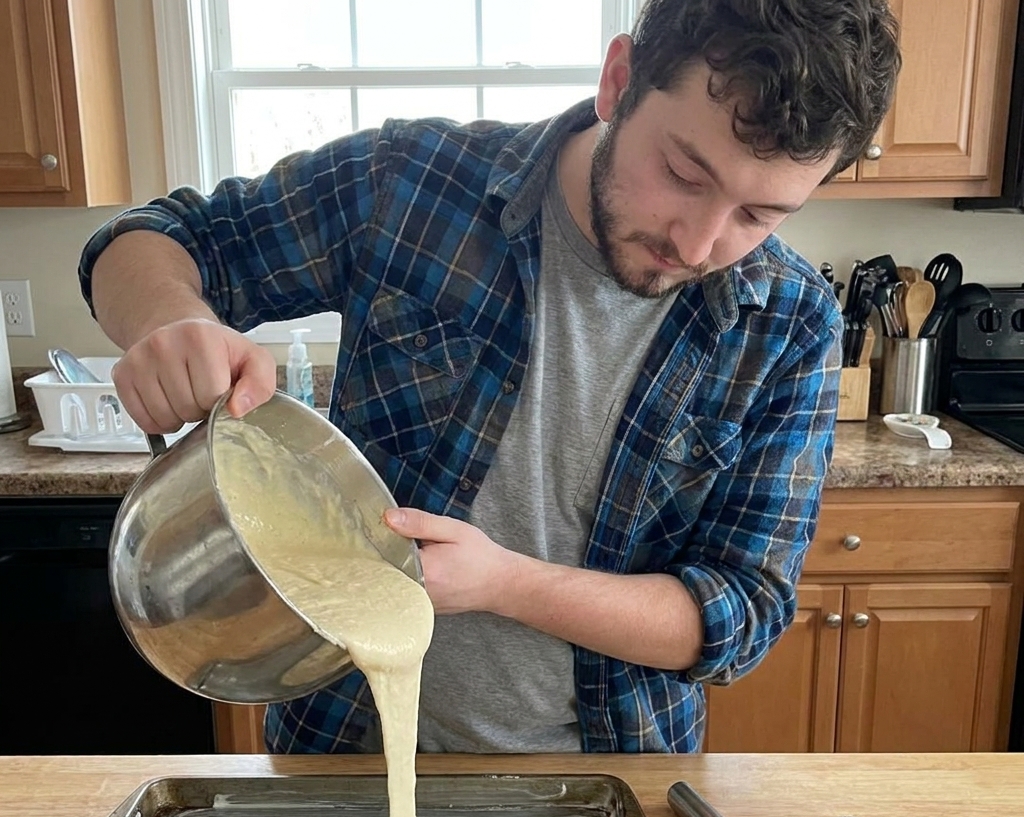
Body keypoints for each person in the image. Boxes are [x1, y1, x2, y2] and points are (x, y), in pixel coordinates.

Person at [80, 0, 901, 755]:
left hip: (609, 776)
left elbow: (740, 614)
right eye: (685, 175)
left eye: (759, 216)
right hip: (343, 750)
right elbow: (159, 236)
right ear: (618, 82)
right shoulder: (412, 184)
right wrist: (166, 321)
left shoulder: (790, 323)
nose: (697, 243)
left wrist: (504, 583)